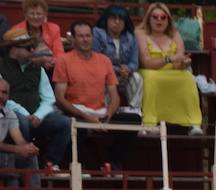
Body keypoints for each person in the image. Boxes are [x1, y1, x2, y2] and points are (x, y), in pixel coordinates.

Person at [53, 21, 138, 169]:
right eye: (80, 36)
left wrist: (108, 116)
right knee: (75, 126)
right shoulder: (64, 60)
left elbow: (115, 96)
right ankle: (75, 166)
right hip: (76, 111)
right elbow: (60, 98)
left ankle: (111, 163)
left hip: (101, 112)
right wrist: (86, 117)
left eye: (88, 36)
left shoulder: (104, 60)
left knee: (133, 120)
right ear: (73, 39)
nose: (85, 40)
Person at [0, 26, 70, 167]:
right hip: (12, 114)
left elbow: (49, 98)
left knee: (65, 123)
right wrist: (26, 115)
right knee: (22, 122)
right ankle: (27, 163)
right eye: (28, 48)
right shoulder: (1, 66)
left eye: (33, 47)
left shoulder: (38, 69)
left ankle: (50, 163)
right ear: (14, 49)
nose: (33, 51)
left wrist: (38, 115)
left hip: (37, 116)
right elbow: (3, 99)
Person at [136, 2, 202, 132]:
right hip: (150, 70)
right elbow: (145, 62)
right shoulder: (140, 33)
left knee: (188, 78)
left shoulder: (175, 34)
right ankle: (150, 122)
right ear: (148, 18)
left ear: (168, 20)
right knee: (151, 79)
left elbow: (178, 63)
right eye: (155, 17)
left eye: (163, 17)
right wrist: (168, 59)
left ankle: (194, 123)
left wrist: (184, 63)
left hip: (173, 71)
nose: (159, 20)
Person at [93, 5, 142, 111]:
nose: (117, 22)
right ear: (106, 19)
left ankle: (133, 111)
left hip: (124, 75)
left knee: (137, 78)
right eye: (113, 18)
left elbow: (134, 62)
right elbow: (96, 59)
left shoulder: (130, 37)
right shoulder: (97, 33)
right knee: (102, 77)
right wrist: (119, 69)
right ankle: (104, 111)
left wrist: (128, 69)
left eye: (121, 19)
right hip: (105, 73)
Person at [0, 77, 41, 185]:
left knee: (29, 156)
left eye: (4, 92)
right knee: (8, 157)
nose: (1, 96)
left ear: (8, 96)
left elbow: (19, 139)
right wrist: (17, 149)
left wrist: (28, 148)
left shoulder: (9, 113)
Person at [20, 0, 62, 75]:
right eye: (32, 13)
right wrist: (39, 60)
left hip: (50, 68)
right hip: (25, 70)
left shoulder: (54, 28)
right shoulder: (17, 30)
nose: (35, 17)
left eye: (39, 14)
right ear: (25, 14)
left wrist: (52, 61)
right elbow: (19, 58)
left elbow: (59, 53)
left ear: (45, 14)